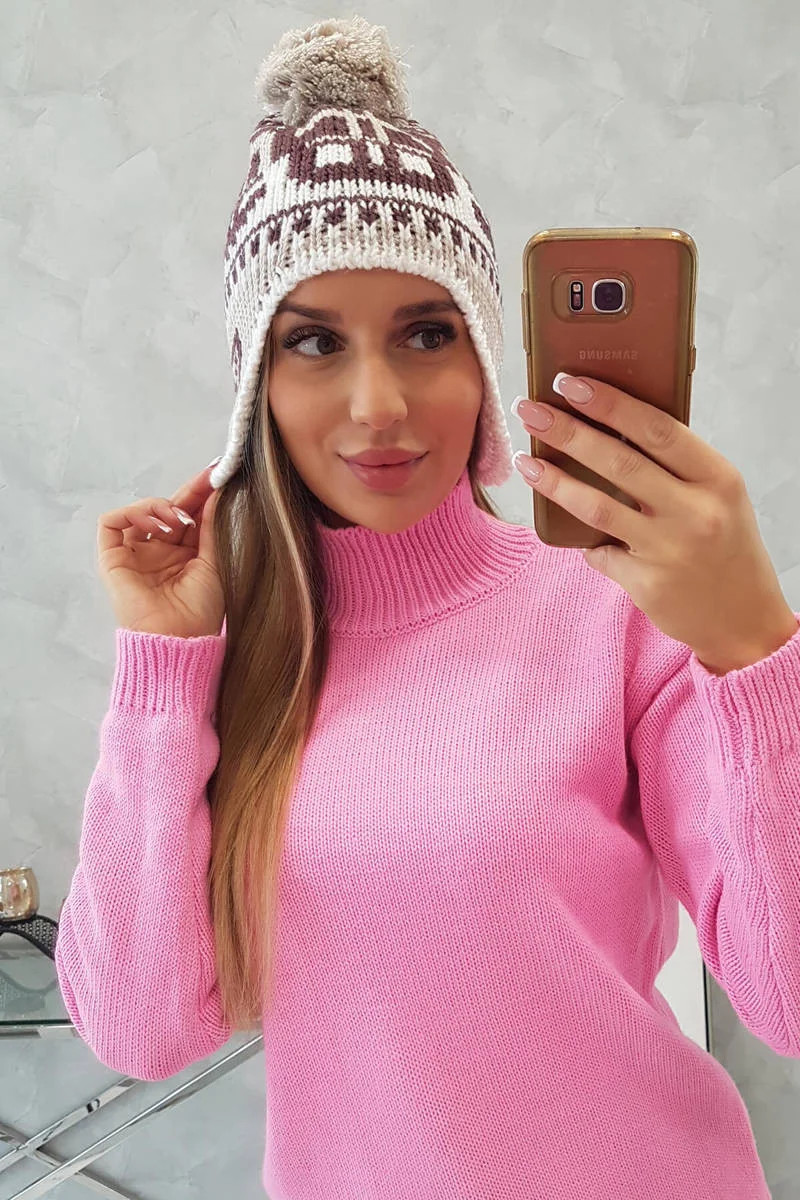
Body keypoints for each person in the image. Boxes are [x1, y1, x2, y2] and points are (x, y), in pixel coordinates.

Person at [54, 15, 799, 1200]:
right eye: (313, 342)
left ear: (482, 360)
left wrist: (755, 647)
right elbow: (141, 1033)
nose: (377, 405)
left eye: (424, 333)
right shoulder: (233, 666)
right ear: (255, 381)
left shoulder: (608, 613)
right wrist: (160, 669)